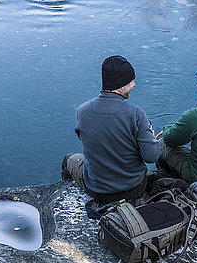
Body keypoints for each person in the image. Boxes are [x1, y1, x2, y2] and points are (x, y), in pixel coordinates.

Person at [62, 55, 160, 203]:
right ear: (122, 84)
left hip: (98, 190)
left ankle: (69, 200)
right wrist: (151, 138)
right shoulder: (136, 113)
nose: (133, 84)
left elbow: (90, 141)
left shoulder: (82, 111)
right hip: (134, 188)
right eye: (131, 81)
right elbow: (151, 157)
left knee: (68, 160)